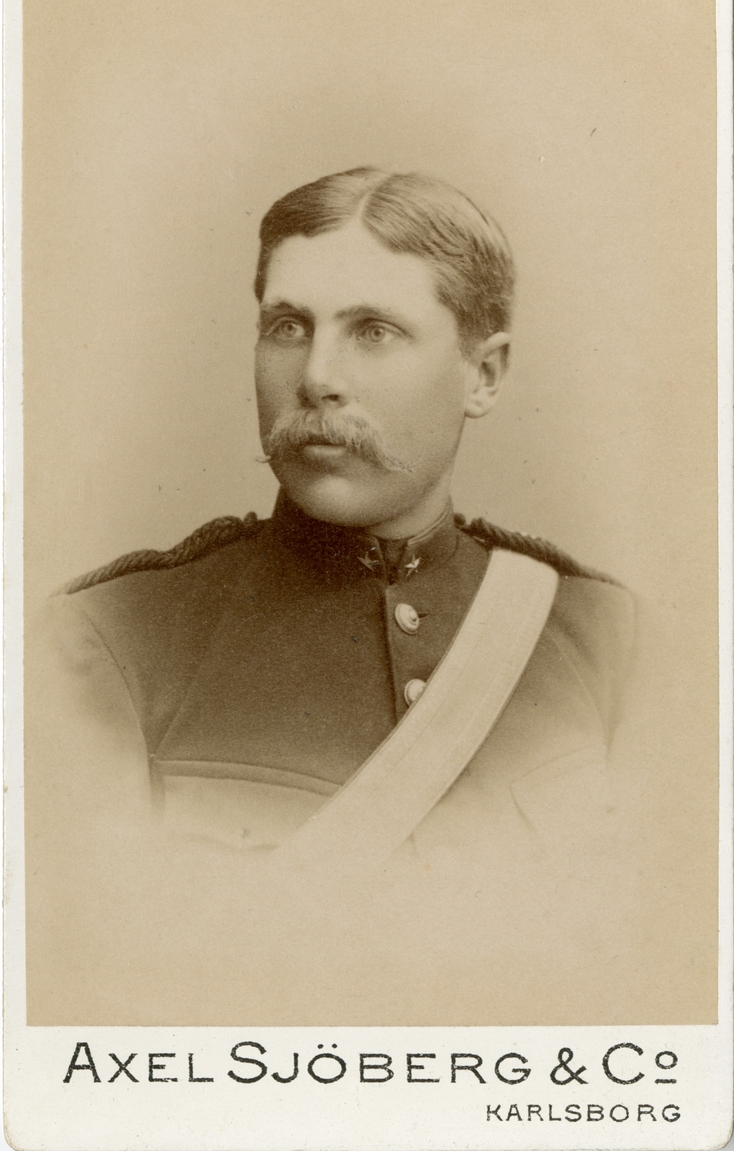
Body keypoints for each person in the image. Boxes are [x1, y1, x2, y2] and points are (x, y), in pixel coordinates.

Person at [45, 167, 634, 872]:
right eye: (288, 327)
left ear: (484, 375)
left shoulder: (609, 647)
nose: (316, 376)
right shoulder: (113, 642)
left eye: (374, 331)